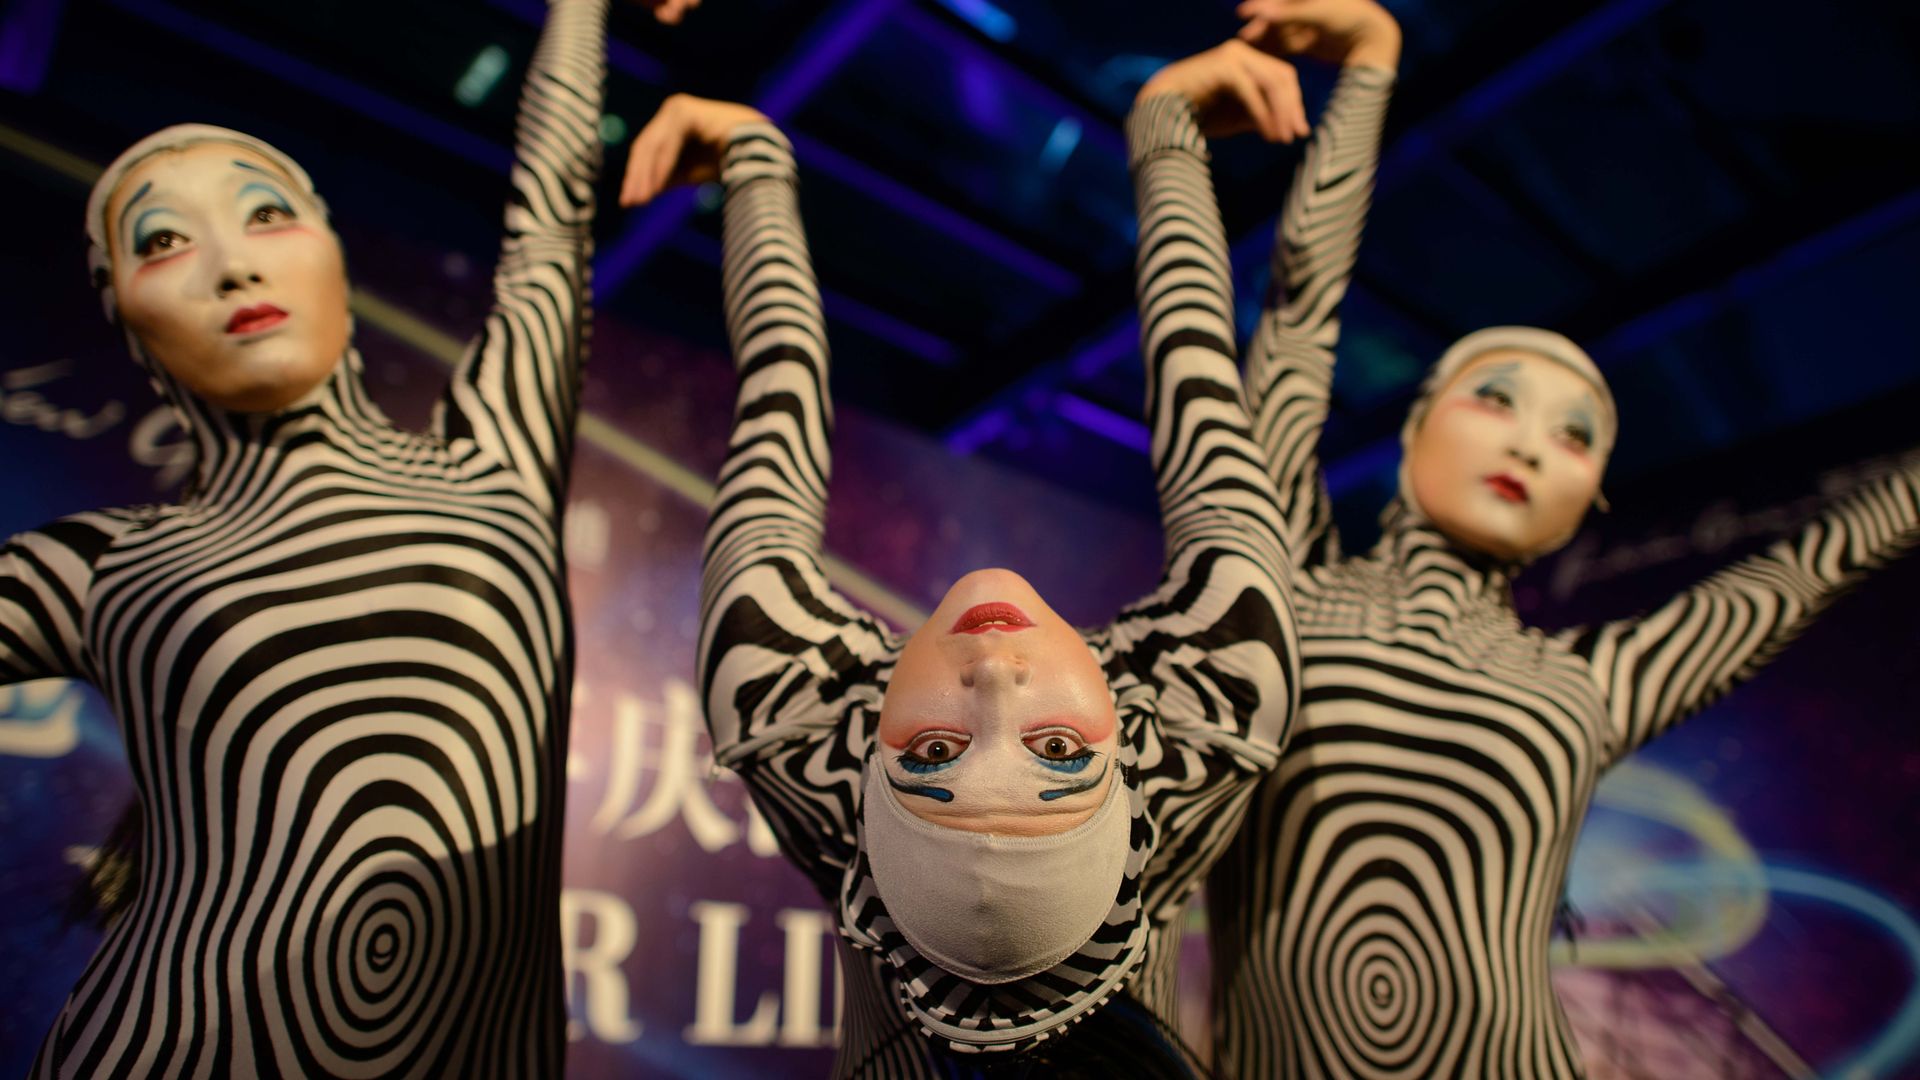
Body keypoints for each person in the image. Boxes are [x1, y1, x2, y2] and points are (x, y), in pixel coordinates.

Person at [1201, 1, 1920, 1075]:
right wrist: (1371, 70)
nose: (1533, 445)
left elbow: (1817, 559)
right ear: (1412, 430)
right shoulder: (1286, 594)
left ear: (1588, 505)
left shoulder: (1597, 682)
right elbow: (1299, 313)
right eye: (1497, 398)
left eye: (1576, 436)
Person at [620, 43, 1313, 1070]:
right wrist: (1163, 136)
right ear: (1128, 783)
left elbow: (776, 401)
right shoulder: (1216, 713)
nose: (994, 677)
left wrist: (758, 171)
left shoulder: (787, 718)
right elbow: (1208, 406)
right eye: (1062, 755)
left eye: (938, 755)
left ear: (868, 796)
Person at [3, 0, 621, 1073]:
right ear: (125, 317)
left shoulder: (499, 458)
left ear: (332, 251)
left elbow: (550, 218)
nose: (230, 267)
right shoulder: (95, 568)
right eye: (162, 242)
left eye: (265, 215)